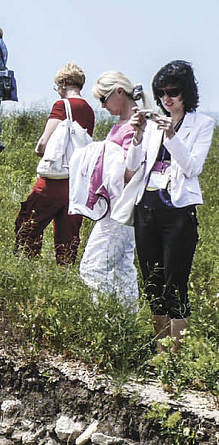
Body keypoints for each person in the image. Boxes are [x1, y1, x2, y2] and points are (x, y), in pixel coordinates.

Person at [127, 60, 214, 351]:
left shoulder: (201, 123)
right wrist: (138, 135)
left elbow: (192, 168)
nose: (167, 98)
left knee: (175, 284)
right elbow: (132, 165)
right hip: (147, 207)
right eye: (162, 92)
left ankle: (175, 354)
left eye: (174, 92)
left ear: (187, 92)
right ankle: (159, 350)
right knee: (152, 282)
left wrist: (172, 136)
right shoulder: (153, 121)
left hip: (178, 211)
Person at [77, 71, 146, 309]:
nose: (103, 106)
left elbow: (132, 171)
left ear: (119, 91)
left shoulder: (135, 124)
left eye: (104, 99)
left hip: (119, 208)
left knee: (92, 268)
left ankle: (104, 321)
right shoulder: (123, 123)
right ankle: (126, 322)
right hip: (118, 207)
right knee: (122, 268)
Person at [15, 63, 95, 264]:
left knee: (28, 222)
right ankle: (64, 271)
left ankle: (28, 264)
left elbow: (44, 142)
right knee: (68, 232)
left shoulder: (62, 105)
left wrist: (39, 151)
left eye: (57, 86)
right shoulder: (89, 110)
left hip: (55, 178)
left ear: (64, 83)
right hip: (77, 180)